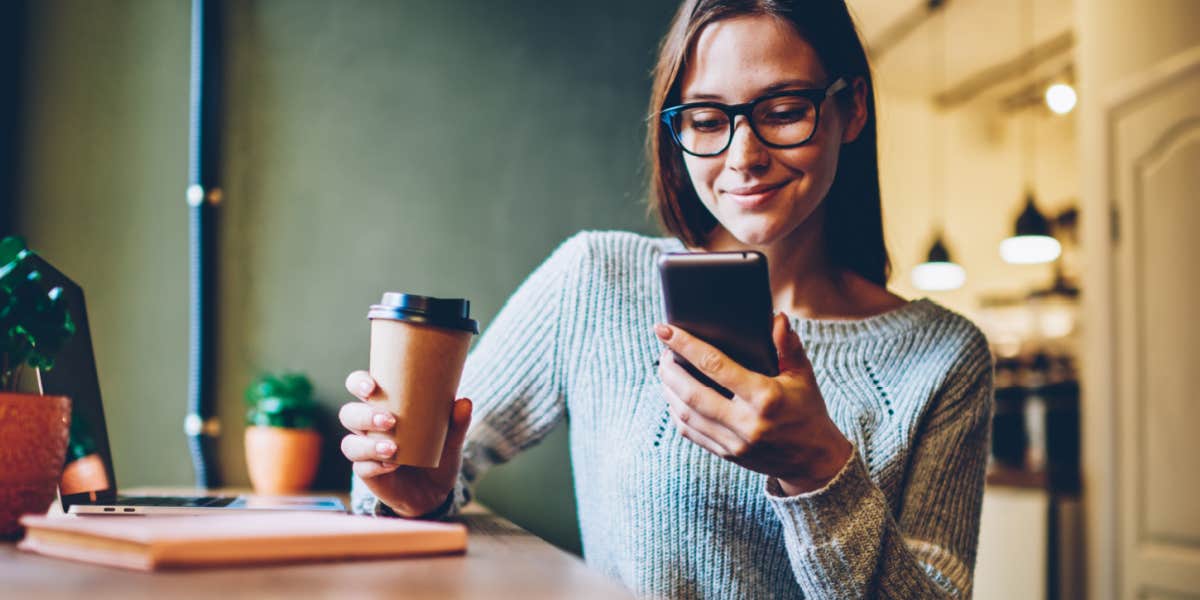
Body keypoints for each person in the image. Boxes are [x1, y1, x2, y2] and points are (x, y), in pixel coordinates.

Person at [340, 0, 993, 597]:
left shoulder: (943, 357)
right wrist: (412, 492)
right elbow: (423, 476)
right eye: (708, 120)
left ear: (852, 109)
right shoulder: (596, 280)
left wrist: (820, 470)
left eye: (785, 110)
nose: (743, 157)